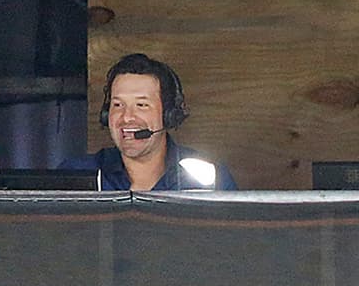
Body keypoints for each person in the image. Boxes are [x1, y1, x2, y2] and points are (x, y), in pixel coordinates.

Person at [61, 53, 237, 191]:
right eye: (118, 104)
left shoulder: (211, 178)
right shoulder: (76, 174)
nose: (127, 117)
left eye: (141, 105)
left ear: (168, 114)